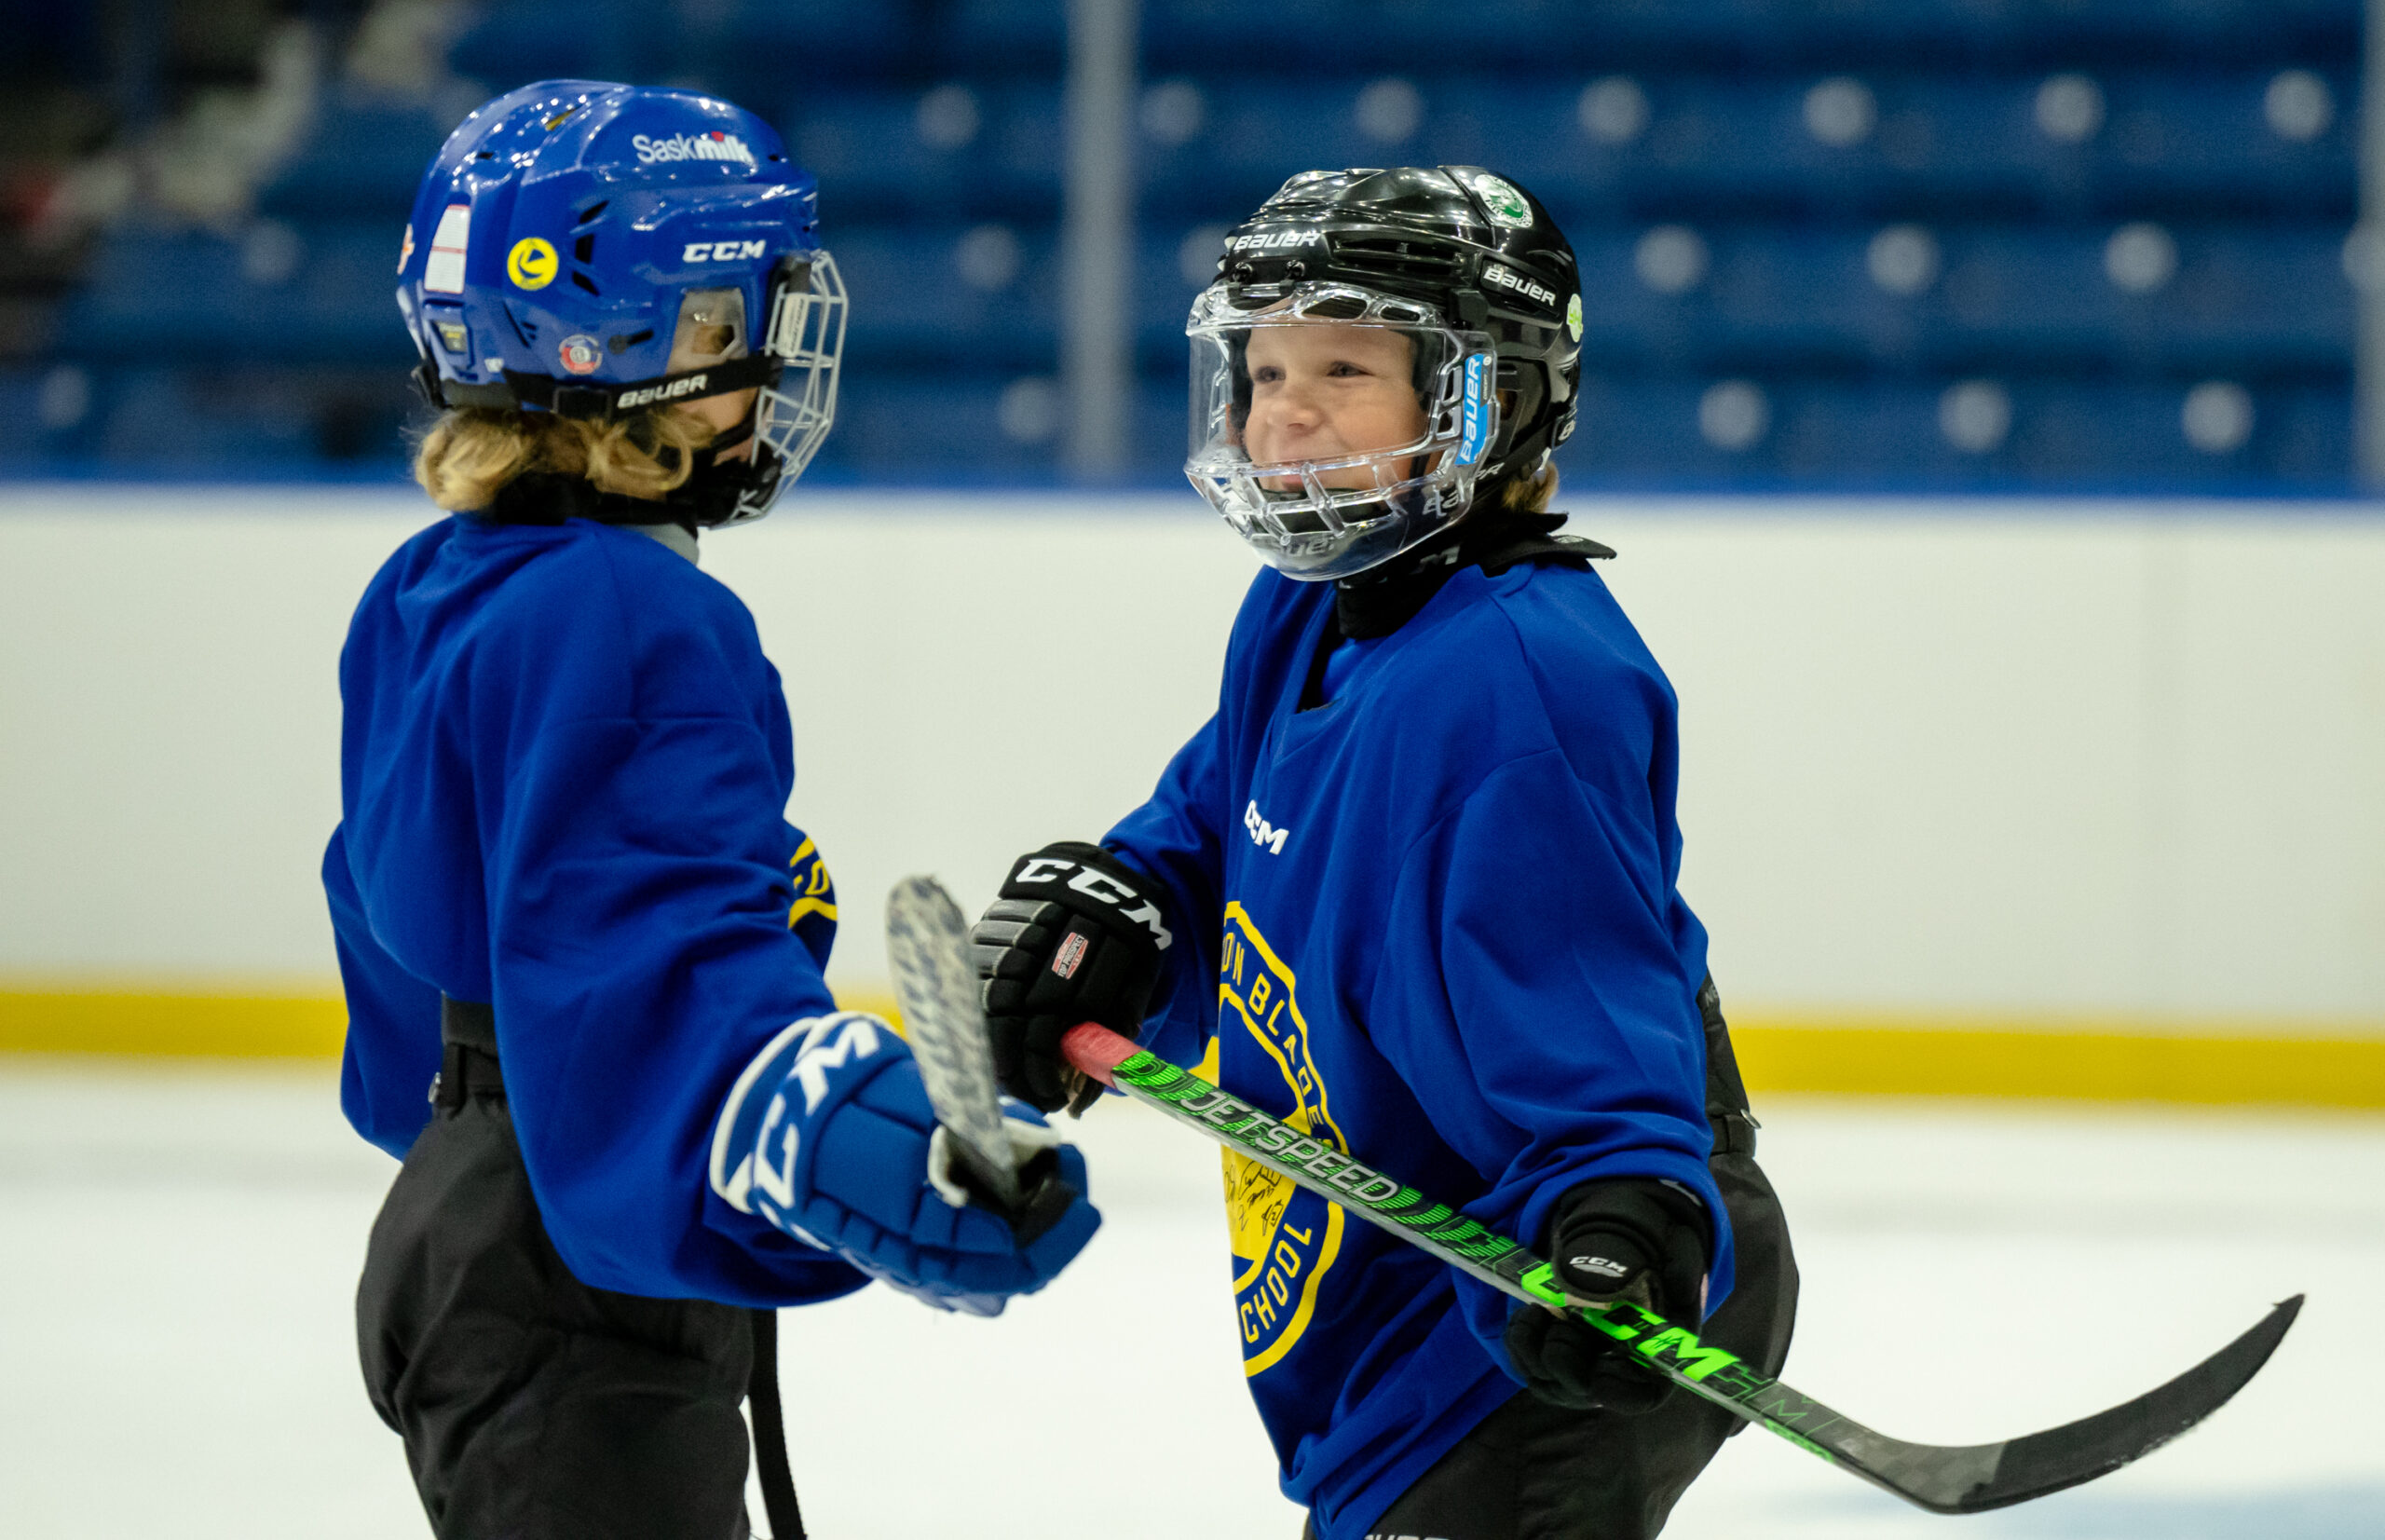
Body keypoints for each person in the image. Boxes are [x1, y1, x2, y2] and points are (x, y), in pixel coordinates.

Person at [970, 166, 1795, 1540]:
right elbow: (1220, 831)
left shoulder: (1523, 678)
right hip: (1412, 1277)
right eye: (1265, 364)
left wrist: (1618, 1207)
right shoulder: (1306, 613)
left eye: (1345, 366)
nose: (1281, 408)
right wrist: (1129, 916)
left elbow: (1582, 982)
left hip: (1564, 1260)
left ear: (1492, 396)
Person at [327, 80, 1097, 1540]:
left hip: (473, 1216)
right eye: (729, 318)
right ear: (637, 343)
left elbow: (414, 947)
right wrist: (877, 1143)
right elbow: (658, 966)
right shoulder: (634, 612)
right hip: (576, 1272)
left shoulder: (431, 586)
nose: (767, 352)